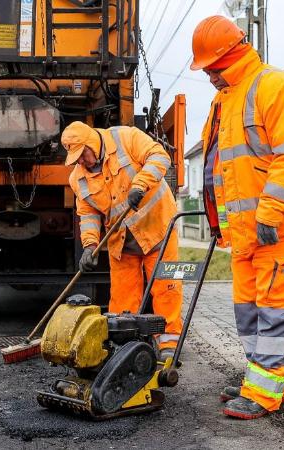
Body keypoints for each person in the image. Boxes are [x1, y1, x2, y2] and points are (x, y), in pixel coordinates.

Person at [189, 16, 284, 419]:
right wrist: (222, 226)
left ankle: (264, 393)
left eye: (212, 69)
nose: (209, 77)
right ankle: (262, 382)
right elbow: (222, 171)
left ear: (229, 57)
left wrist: (270, 214)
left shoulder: (278, 87)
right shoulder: (225, 100)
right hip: (248, 231)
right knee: (249, 310)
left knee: (276, 311)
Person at [62, 121, 182, 361]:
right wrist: (89, 246)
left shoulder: (126, 137)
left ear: (92, 143)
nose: (81, 162)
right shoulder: (78, 178)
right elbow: (88, 214)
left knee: (166, 289)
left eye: (83, 155)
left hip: (159, 230)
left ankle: (169, 345)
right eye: (75, 158)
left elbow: (160, 156)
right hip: (121, 242)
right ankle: (125, 348)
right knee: (122, 299)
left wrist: (140, 184)